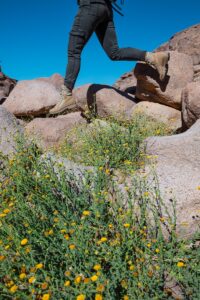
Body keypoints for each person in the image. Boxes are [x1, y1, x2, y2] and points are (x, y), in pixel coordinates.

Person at [49, 0, 169, 115]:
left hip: (89, 6)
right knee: (114, 52)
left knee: (74, 51)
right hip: (106, 10)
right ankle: (153, 57)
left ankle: (66, 94)